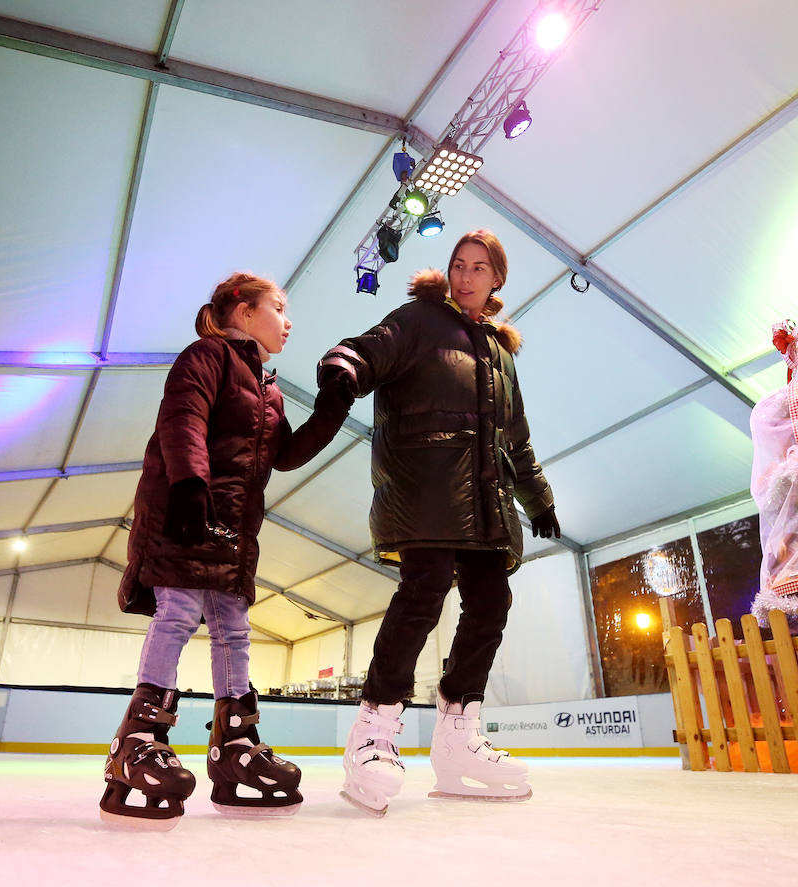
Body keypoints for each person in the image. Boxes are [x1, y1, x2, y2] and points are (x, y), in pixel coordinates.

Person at [317, 229, 561, 815]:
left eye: (480, 268)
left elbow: (514, 438)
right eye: (459, 265)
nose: (467, 276)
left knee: (491, 602)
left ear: (497, 278)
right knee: (423, 596)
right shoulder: (419, 320)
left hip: (486, 501)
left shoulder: (500, 352)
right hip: (424, 489)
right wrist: (346, 366)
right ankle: (373, 733)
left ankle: (458, 736)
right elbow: (370, 347)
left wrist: (539, 500)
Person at [103, 272, 349, 829]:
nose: (289, 322)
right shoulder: (206, 356)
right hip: (186, 515)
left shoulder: (267, 386)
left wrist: (333, 407)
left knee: (234, 627)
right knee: (178, 615)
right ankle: (138, 742)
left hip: (234, 532)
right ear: (243, 312)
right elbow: (183, 416)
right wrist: (190, 485)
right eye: (279, 308)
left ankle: (234, 746)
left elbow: (284, 454)